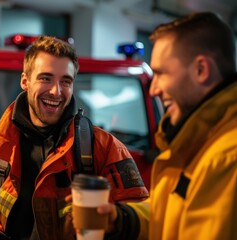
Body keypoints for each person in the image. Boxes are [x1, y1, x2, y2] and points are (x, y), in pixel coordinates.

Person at [0, 35, 149, 240]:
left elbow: (136, 214)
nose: (56, 91)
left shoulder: (104, 147)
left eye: (66, 81)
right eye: (46, 78)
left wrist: (113, 223)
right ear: (25, 81)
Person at [99, 12, 237, 239]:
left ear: (201, 70)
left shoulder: (226, 158)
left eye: (161, 73)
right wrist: (121, 218)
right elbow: (169, 213)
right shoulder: (197, 142)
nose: (154, 89)